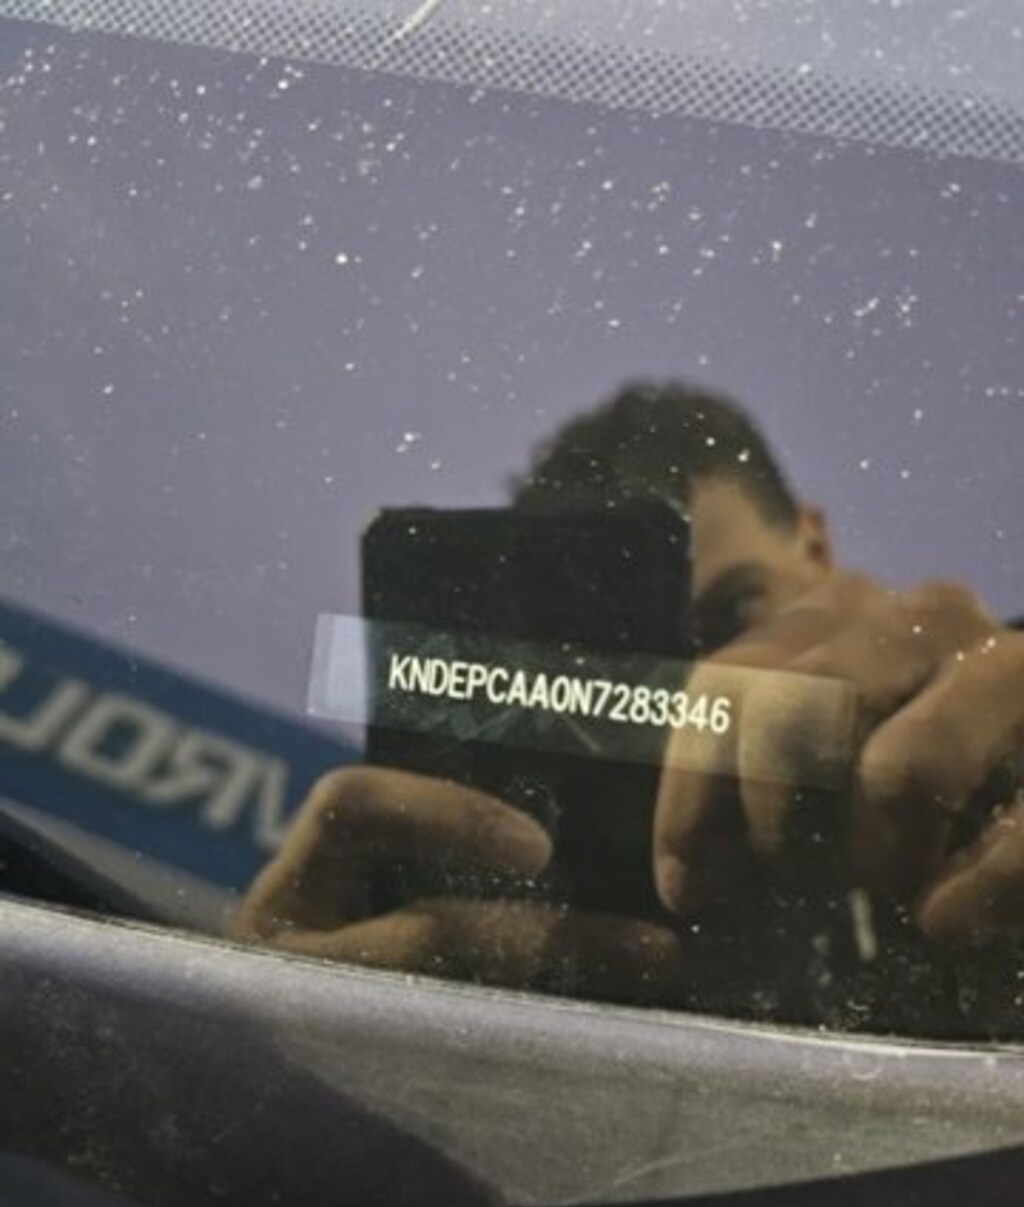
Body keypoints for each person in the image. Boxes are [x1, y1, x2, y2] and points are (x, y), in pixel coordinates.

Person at [230, 384, 1022, 1035]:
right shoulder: (453, 915)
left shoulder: (992, 767)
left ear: (814, 544)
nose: (691, 700)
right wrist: (271, 1042)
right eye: (624, 668)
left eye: (735, 614)